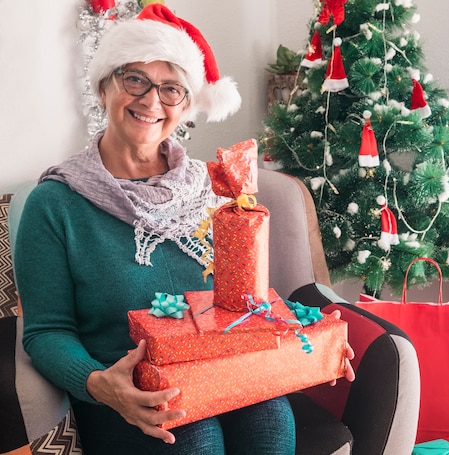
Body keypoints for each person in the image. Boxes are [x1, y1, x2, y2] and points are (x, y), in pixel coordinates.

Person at [13, 5, 354, 454]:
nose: (151, 101)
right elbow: (45, 332)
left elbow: (246, 301)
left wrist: (307, 336)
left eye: (170, 88)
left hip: (224, 369)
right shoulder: (55, 203)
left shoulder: (214, 189)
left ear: (186, 106)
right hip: (129, 391)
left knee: (271, 422)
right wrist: (99, 384)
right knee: (195, 438)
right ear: (103, 87)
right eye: (134, 78)